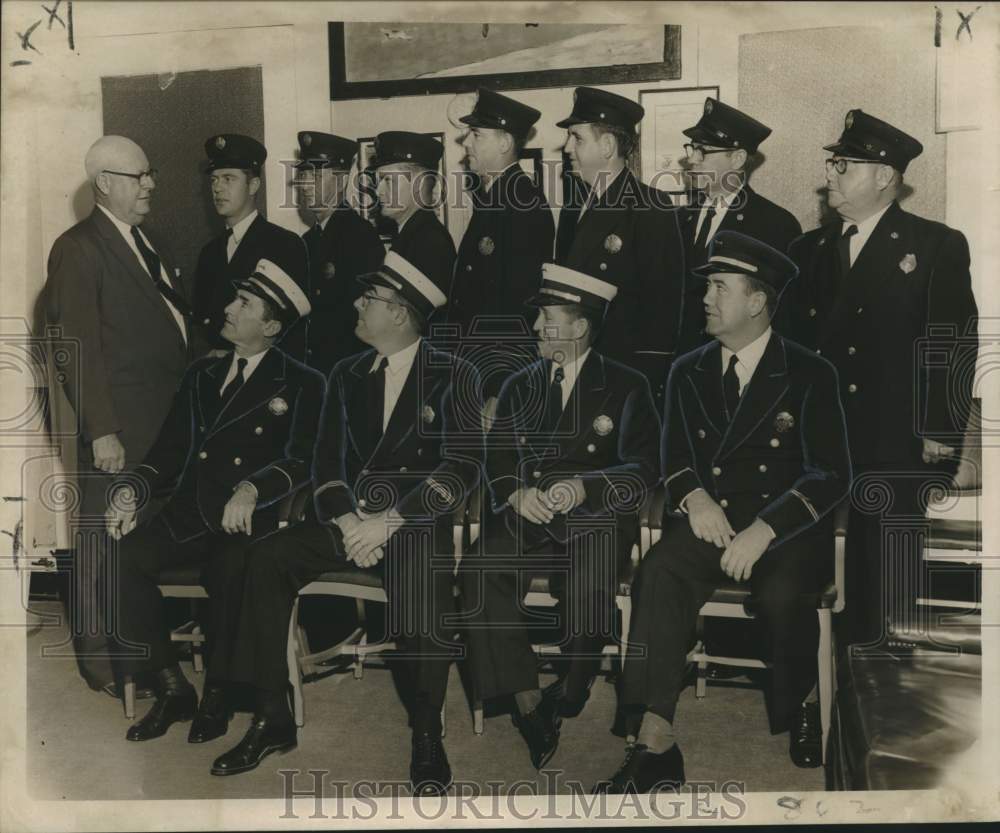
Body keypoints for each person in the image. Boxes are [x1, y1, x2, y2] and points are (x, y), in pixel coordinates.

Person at [207, 251, 483, 790]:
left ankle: (426, 730)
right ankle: (272, 715)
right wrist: (353, 520)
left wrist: (390, 522)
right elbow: (326, 466)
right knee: (265, 557)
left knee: (421, 579)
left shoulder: (457, 374)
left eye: (370, 299)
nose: (356, 305)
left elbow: (462, 468)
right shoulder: (347, 373)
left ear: (400, 314)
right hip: (349, 521)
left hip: (413, 525)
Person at [597, 232, 852, 793]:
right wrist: (695, 499)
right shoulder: (687, 369)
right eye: (707, 287)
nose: (705, 299)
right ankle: (655, 737)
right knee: (659, 571)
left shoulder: (810, 371)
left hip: (784, 530)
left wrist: (765, 529)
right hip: (712, 520)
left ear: (757, 301)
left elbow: (831, 473)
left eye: (718, 287)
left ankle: (804, 698)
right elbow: (675, 455)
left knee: (784, 596)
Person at [104, 260, 324, 745]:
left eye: (243, 303)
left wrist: (253, 489)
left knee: (233, 572)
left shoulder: (303, 382)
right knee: (116, 560)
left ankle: (220, 694)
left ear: (270, 326)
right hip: (187, 516)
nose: (227, 308)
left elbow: (304, 461)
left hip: (245, 523)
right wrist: (131, 490)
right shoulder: (202, 374)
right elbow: (167, 453)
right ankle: (170, 685)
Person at [786, 109, 978, 648]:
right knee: (801, 570)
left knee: (888, 578)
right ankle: (811, 691)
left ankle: (882, 700)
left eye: (844, 165)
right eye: (832, 163)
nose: (831, 175)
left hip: (895, 438)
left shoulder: (935, 244)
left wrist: (941, 430)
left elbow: (952, 342)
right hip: (818, 439)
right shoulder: (808, 251)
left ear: (885, 177)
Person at [462, 262, 660, 771]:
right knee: (480, 568)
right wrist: (514, 492)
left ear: (579, 327)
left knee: (588, 584)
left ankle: (571, 690)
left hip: (593, 514)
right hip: (529, 510)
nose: (534, 329)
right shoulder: (519, 384)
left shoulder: (627, 384)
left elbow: (643, 468)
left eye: (546, 319)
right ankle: (528, 701)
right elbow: (499, 456)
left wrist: (585, 485)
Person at [44, 135, 191, 696]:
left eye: (149, 173)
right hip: (120, 431)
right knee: (103, 547)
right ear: (104, 182)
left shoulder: (144, 242)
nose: (150, 183)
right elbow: (73, 346)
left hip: (162, 427)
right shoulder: (79, 247)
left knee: (139, 549)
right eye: (138, 176)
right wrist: (101, 429)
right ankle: (107, 667)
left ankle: (152, 659)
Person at [555, 86, 686, 402]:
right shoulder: (573, 208)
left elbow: (662, 314)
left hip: (620, 380)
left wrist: (642, 393)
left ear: (608, 145)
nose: (567, 147)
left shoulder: (651, 207)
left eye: (577, 137)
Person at [449, 88, 555, 415]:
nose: (466, 144)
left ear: (505, 143)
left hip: (497, 376)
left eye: (476, 135)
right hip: (475, 368)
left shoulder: (522, 204)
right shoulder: (495, 200)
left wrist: (499, 389)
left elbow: (518, 308)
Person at [676, 98, 802, 355]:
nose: (693, 160)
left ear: (737, 159)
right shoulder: (678, 218)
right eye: (692, 149)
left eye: (703, 151)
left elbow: (782, 316)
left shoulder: (775, 224)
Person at [192, 133, 309, 360]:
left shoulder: (284, 244)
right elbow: (201, 323)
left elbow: (293, 331)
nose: (217, 188)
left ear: (253, 185)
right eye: (214, 180)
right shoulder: (209, 252)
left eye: (228, 179)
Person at [292, 131, 385, 373]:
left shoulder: (360, 236)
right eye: (304, 175)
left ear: (342, 180)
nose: (306, 184)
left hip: (344, 372)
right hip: (311, 372)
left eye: (316, 175)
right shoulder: (306, 241)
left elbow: (365, 322)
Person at [368, 131, 456, 292]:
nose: (377, 191)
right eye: (378, 181)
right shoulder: (413, 234)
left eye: (388, 180)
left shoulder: (429, 242)